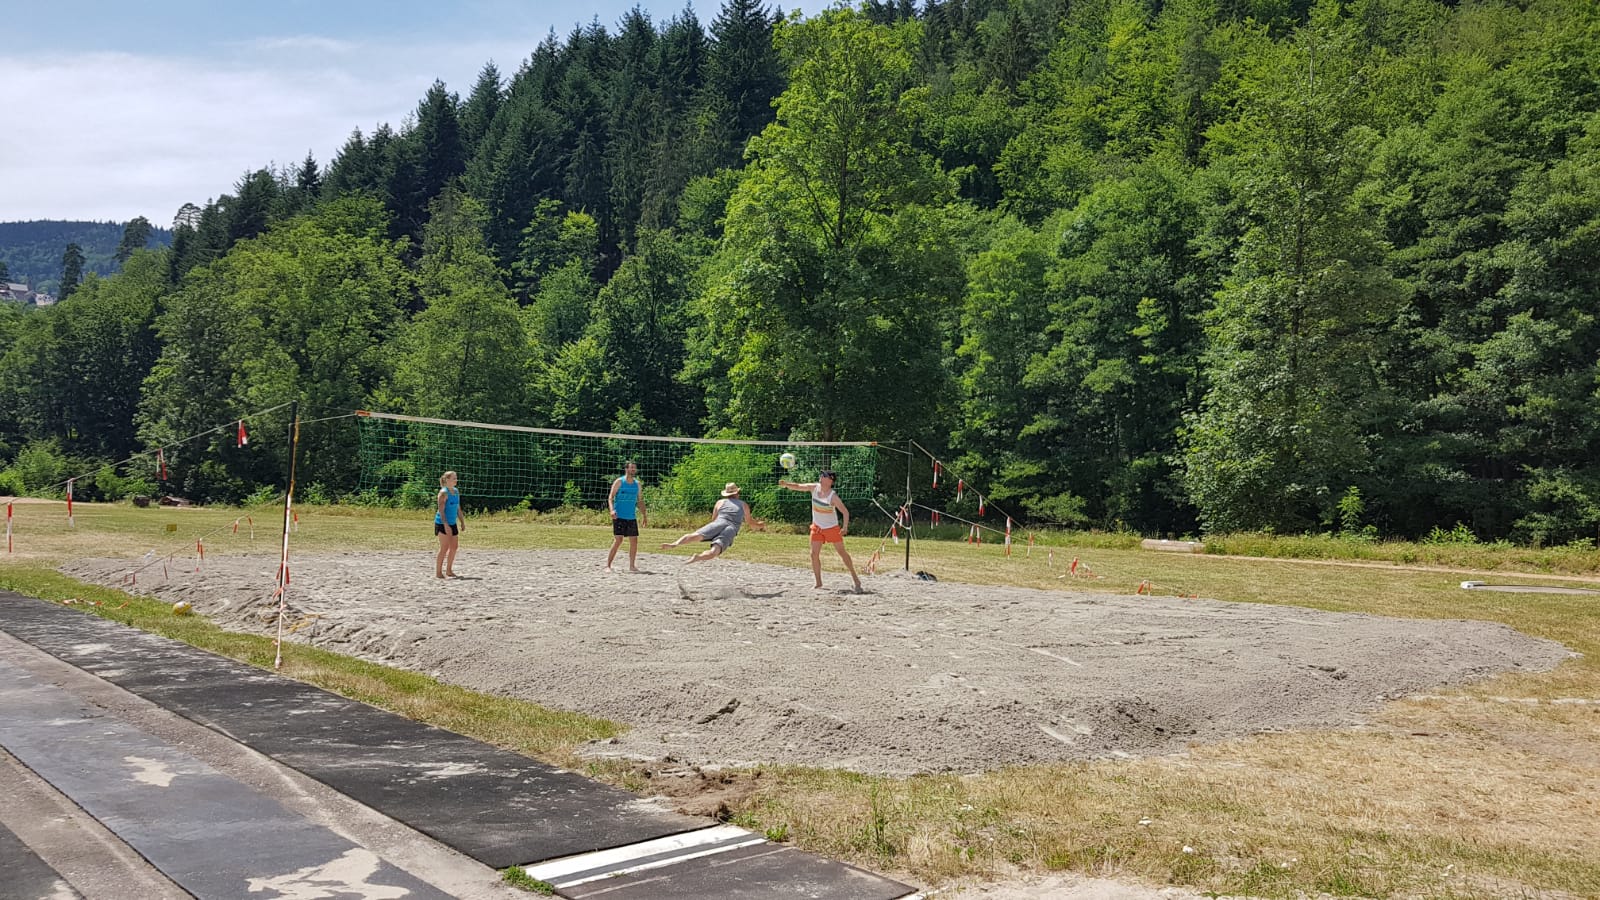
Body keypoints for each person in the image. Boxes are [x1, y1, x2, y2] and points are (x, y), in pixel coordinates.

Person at [779, 469, 863, 593]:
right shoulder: (814, 488)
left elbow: (845, 512)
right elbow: (798, 486)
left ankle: (856, 579)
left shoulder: (833, 496)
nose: (821, 476)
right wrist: (786, 484)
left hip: (832, 528)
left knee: (842, 553)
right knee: (813, 554)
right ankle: (818, 582)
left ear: (830, 480)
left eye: (824, 475)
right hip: (817, 528)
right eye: (821, 475)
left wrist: (845, 527)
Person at [660, 482, 764, 563]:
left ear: (727, 494)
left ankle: (674, 544)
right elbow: (750, 523)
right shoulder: (743, 504)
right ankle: (698, 557)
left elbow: (713, 519)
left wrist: (714, 531)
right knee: (714, 552)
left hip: (719, 522)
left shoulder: (720, 502)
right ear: (737, 493)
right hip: (731, 528)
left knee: (695, 535)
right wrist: (760, 525)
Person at [606, 460, 648, 572]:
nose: (633, 469)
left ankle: (632, 566)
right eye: (631, 467)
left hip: (631, 517)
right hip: (619, 516)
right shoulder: (619, 482)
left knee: (634, 541)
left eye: (634, 468)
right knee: (618, 540)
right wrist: (612, 510)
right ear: (626, 469)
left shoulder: (637, 484)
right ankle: (608, 566)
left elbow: (640, 501)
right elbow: (610, 497)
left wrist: (644, 515)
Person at [434, 471, 463, 579]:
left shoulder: (455, 491)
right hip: (442, 522)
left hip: (452, 522)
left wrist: (462, 522)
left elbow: (458, 508)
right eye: (454, 478)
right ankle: (438, 572)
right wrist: (445, 525)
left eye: (456, 478)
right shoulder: (443, 493)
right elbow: (441, 511)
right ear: (447, 480)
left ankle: (449, 570)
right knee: (444, 547)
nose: (456, 480)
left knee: (454, 547)